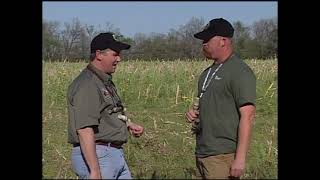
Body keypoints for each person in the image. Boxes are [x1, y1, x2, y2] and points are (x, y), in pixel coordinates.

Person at [185, 18, 256, 179]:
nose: (203, 44)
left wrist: (240, 159)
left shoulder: (239, 71)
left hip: (223, 155)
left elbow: (248, 116)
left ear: (223, 41)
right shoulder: (206, 74)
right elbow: (212, 108)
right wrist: (193, 115)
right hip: (203, 153)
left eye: (207, 39)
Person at [67, 32, 144, 179]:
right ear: (99, 54)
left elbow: (107, 113)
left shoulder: (102, 81)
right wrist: (95, 170)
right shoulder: (87, 84)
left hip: (112, 154)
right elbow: (84, 129)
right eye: (115, 54)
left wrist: (128, 124)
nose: (119, 59)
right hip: (99, 155)